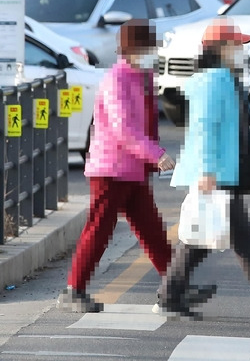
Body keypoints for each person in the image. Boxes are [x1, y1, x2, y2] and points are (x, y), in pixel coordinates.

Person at [158, 17, 250, 323]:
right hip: (214, 175)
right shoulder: (211, 82)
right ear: (219, 48)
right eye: (236, 45)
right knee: (243, 240)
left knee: (200, 243)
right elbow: (204, 129)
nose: (241, 50)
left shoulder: (227, 79)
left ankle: (169, 296)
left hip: (222, 173)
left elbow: (245, 128)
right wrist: (208, 171)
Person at [57, 19, 175, 313]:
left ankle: (177, 286)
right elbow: (125, 129)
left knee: (153, 231)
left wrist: (149, 158)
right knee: (99, 229)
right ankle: (74, 290)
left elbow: (146, 123)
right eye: (147, 48)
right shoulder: (117, 79)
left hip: (133, 170)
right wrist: (156, 154)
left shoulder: (143, 75)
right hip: (110, 169)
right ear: (132, 49)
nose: (152, 53)